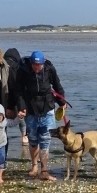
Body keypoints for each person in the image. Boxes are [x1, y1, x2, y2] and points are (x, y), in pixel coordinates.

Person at [16, 50, 66, 181]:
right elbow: (19, 90)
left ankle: (44, 170)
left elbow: (57, 86)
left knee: (45, 139)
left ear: (43, 63)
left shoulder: (50, 69)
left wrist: (62, 102)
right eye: (34, 65)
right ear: (31, 63)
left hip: (47, 107)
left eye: (39, 65)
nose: (37, 68)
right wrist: (21, 107)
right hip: (31, 107)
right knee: (32, 140)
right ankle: (34, 166)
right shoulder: (23, 71)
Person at [4, 48, 28, 145]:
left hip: (3, 96)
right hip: (16, 96)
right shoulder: (17, 67)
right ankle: (24, 136)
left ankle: (3, 136)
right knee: (21, 115)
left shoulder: (2, 66)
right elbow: (16, 86)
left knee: (1, 119)